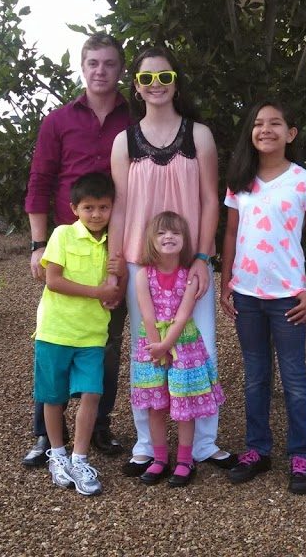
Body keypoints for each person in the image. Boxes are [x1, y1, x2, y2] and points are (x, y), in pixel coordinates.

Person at [108, 45, 234, 476]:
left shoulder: (198, 135)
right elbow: (121, 208)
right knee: (147, 352)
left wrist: (202, 256)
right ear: (137, 88)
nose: (156, 85)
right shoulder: (123, 142)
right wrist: (115, 265)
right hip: (141, 266)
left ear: (176, 82)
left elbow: (208, 199)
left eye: (164, 77)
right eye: (147, 79)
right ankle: (148, 443)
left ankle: (202, 444)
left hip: (191, 264)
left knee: (199, 350)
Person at [22, 33, 129, 467]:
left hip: (116, 242)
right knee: (57, 338)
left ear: (120, 70)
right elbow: (40, 181)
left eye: (108, 63)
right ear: (82, 68)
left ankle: (99, 424)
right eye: (93, 63)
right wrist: (38, 243)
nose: (100, 71)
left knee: (107, 340)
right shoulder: (58, 121)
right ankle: (46, 435)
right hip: (69, 242)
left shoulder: (135, 119)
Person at [219, 100, 306, 495]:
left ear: (291, 133)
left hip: (288, 298)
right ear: (251, 132)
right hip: (247, 295)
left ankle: (300, 454)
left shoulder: (304, 181)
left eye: (275, 123)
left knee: (295, 377)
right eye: (259, 124)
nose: (266, 129)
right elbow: (230, 233)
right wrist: (226, 278)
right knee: (255, 376)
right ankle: (258, 449)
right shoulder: (240, 179)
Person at [33, 172, 121, 496]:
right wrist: (97, 292)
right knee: (53, 397)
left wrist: (114, 291)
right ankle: (56, 455)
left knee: (92, 393)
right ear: (74, 209)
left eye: (103, 207)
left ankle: (79, 458)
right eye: (89, 208)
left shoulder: (114, 242)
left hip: (92, 334)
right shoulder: (62, 235)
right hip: (55, 331)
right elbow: (52, 279)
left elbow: (114, 288)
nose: (96, 214)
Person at [132, 211, 225, 487]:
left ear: (185, 240)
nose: (168, 237)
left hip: (184, 346)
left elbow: (183, 315)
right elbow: (147, 314)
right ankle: (159, 458)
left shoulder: (191, 276)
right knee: (155, 406)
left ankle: (185, 459)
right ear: (151, 240)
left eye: (175, 233)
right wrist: (156, 349)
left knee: (185, 404)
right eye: (161, 233)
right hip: (151, 345)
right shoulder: (142, 275)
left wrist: (166, 345)